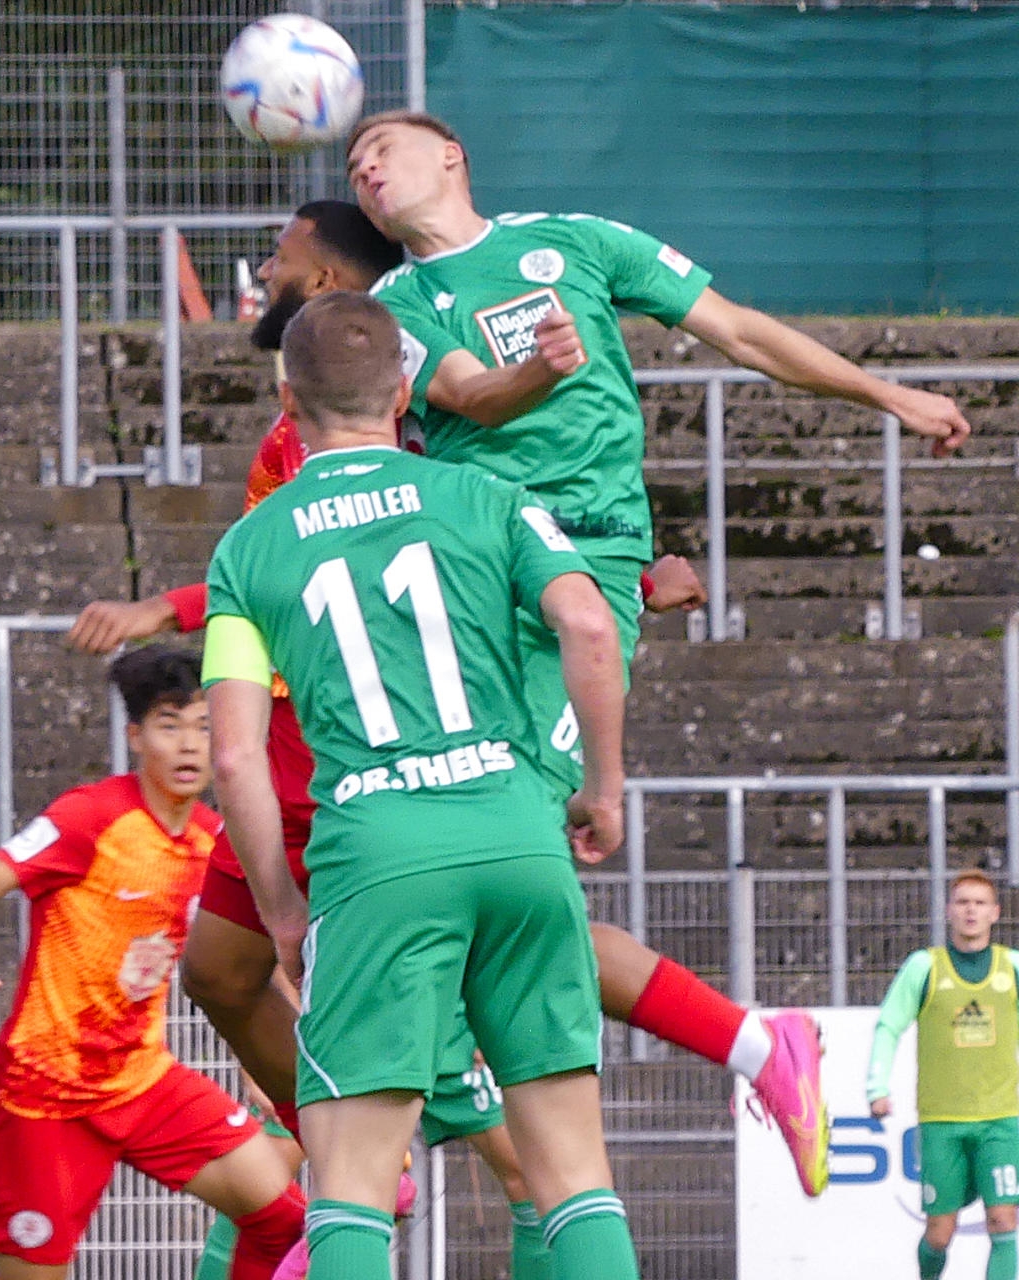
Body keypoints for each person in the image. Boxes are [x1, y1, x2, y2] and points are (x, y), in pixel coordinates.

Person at [71, 196, 810, 1210]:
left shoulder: (391, 414)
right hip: (296, 727)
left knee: (491, 948)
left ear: (327, 288)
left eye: (281, 260)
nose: (263, 277)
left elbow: (443, 558)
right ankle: (353, 1167)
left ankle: (748, 1043)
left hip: (356, 741)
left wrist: (623, 588)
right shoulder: (325, 406)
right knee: (225, 969)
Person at [344, 110, 975, 1195]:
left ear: (451, 155)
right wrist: (544, 369)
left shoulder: (576, 241)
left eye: (381, 147)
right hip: (469, 583)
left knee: (497, 857)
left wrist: (888, 394)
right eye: (349, 163)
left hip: (577, 567)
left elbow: (740, 329)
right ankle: (698, 1056)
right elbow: (467, 398)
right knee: (478, 862)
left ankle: (447, 1106)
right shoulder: (394, 304)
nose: (362, 166)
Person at [206, 290, 637, 1278]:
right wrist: (602, 784)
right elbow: (588, 623)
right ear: (404, 387)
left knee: (351, 1182)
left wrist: (279, 909)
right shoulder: (490, 497)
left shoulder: (252, 548)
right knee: (573, 1168)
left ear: (287, 393)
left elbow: (234, 756)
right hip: (517, 834)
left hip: (378, 855)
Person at [0, 647, 307, 1280]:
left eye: (204, 726)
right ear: (137, 736)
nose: (191, 745)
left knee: (284, 1221)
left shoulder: (214, 841)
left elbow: (259, 957)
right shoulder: (91, 817)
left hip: (143, 1082)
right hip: (45, 1094)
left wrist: (273, 1050)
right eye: (170, 725)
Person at [868, 870, 1019, 1280]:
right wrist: (876, 1087)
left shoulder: (1013, 968)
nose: (971, 910)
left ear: (995, 913)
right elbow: (889, 1025)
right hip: (942, 1122)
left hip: (1000, 1120)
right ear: (949, 911)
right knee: (939, 1233)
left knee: (1005, 1220)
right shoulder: (924, 967)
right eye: (963, 902)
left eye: (980, 903)